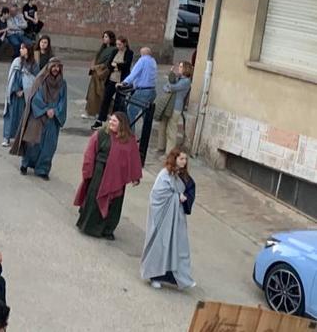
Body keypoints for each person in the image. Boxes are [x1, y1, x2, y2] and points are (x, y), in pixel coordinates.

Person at [74, 112, 142, 240]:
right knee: (95, 198)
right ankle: (89, 226)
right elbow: (90, 152)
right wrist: (88, 171)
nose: (111, 122)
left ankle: (107, 229)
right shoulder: (101, 134)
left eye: (114, 121)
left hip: (118, 177)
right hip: (100, 171)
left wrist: (135, 176)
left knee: (114, 204)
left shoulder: (128, 139)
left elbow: (134, 158)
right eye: (110, 120)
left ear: (122, 125)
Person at [140, 147, 196, 290]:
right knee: (160, 244)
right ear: (174, 158)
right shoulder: (164, 174)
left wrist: (185, 198)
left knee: (179, 246)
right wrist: (177, 197)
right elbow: (157, 195)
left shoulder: (184, 177)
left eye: (185, 159)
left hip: (177, 218)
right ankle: (155, 276)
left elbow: (190, 191)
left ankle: (179, 277)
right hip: (163, 218)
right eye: (181, 158)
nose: (184, 162)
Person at [10, 57, 67, 181]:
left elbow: (63, 100)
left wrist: (56, 111)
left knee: (49, 146)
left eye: (58, 67)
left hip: (53, 118)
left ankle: (42, 169)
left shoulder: (62, 83)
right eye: (54, 66)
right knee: (32, 142)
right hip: (39, 115)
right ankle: (25, 164)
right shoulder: (41, 80)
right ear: (49, 67)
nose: (56, 69)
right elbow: (35, 97)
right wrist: (45, 109)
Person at [91, 36, 134, 130]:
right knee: (106, 99)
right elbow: (109, 63)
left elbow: (126, 66)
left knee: (118, 102)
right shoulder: (115, 51)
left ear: (125, 44)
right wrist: (115, 66)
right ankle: (100, 120)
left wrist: (117, 65)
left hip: (121, 81)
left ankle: (115, 122)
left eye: (120, 44)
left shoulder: (129, 53)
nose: (118, 46)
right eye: (117, 44)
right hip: (112, 79)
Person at [2, 43, 39, 147]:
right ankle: (6, 137)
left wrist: (24, 91)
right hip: (14, 95)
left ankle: (20, 139)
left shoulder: (34, 65)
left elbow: (34, 81)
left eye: (23, 48)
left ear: (28, 50)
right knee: (10, 115)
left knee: (22, 117)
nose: (20, 50)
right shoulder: (17, 61)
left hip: (25, 97)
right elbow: (11, 77)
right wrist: (14, 89)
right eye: (20, 48)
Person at [156, 61, 193, 154]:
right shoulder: (179, 78)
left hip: (176, 107)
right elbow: (165, 87)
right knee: (162, 126)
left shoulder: (186, 81)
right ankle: (161, 147)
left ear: (186, 69)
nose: (179, 68)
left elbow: (173, 87)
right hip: (168, 105)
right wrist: (169, 85)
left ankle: (169, 153)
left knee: (171, 130)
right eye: (179, 66)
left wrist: (170, 84)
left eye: (181, 67)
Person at [118, 47, 158, 130]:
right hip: (152, 91)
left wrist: (124, 83)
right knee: (146, 115)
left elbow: (134, 73)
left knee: (130, 111)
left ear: (142, 54)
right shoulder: (153, 61)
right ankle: (145, 136)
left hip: (142, 91)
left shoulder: (142, 60)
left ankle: (130, 134)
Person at [82, 30, 117, 120]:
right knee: (92, 94)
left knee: (101, 93)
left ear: (111, 39)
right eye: (103, 37)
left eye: (106, 37)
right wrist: (93, 66)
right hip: (96, 74)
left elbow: (108, 63)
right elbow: (97, 58)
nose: (104, 39)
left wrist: (97, 67)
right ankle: (91, 112)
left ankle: (108, 111)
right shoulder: (103, 48)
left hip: (102, 74)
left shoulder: (113, 50)